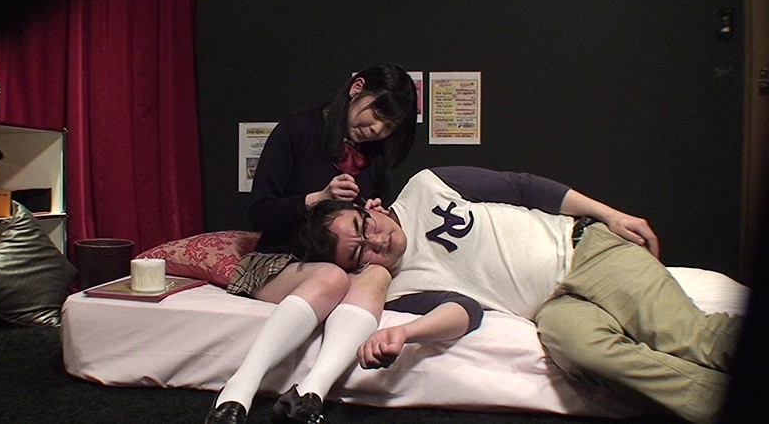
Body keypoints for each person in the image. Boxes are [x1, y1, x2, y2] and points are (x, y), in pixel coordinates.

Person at [299, 166, 743, 424]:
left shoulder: (426, 185)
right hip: (552, 308)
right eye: (359, 253)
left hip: (584, 250)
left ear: (367, 207)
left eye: (364, 227)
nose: (377, 242)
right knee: (583, 353)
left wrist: (611, 215)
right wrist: (407, 333)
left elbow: (523, 187)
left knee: (686, 335)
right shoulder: (399, 287)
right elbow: (465, 312)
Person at [205, 63, 419, 424]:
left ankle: (309, 393)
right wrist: (317, 198)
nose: (377, 130)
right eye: (376, 114)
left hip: (340, 262)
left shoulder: (376, 153)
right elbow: (259, 213)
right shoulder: (297, 130)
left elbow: (365, 219)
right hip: (281, 257)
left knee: (378, 273)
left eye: (389, 126)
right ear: (357, 88)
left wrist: (373, 211)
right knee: (332, 277)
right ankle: (239, 388)